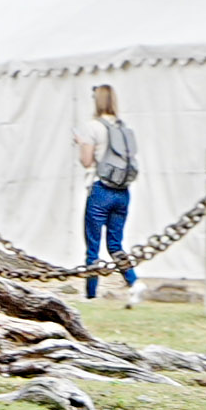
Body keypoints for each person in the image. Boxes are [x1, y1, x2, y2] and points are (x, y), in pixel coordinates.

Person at [73, 83, 140, 305]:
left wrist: (81, 144)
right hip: (123, 191)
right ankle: (133, 282)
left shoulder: (93, 127)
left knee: (93, 245)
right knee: (115, 244)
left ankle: (91, 294)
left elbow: (87, 162)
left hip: (101, 189)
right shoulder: (123, 127)